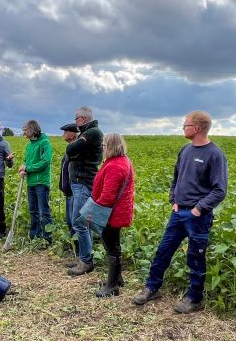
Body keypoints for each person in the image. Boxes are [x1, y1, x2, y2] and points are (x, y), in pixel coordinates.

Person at [131, 111, 228, 313]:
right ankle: (151, 287)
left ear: (198, 128)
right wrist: (173, 199)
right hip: (178, 213)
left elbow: (220, 190)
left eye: (186, 125)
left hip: (197, 217)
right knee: (163, 251)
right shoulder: (185, 150)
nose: (183, 128)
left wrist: (198, 209)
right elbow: (176, 178)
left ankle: (194, 298)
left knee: (195, 257)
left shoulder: (214, 154)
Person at [88, 133, 135, 298]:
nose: (102, 148)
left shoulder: (115, 166)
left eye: (104, 145)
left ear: (111, 146)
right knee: (115, 246)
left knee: (111, 248)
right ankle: (117, 278)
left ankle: (112, 286)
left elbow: (108, 197)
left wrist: (92, 212)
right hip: (118, 212)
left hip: (111, 214)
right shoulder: (123, 161)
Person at [65, 106, 104, 275]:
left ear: (83, 119)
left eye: (76, 119)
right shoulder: (86, 133)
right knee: (83, 222)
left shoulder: (93, 132)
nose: (75, 122)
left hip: (83, 182)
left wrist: (75, 150)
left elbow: (70, 150)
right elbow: (72, 152)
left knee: (79, 222)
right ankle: (84, 257)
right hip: (79, 182)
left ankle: (86, 261)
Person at [19, 119, 53, 244]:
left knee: (44, 211)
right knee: (33, 210)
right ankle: (35, 236)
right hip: (31, 182)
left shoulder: (45, 143)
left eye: (25, 130)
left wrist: (28, 168)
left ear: (32, 129)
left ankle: (47, 238)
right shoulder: (29, 145)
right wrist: (23, 167)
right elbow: (26, 161)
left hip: (41, 183)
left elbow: (45, 162)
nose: (24, 132)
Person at [59, 122, 79, 259]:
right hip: (69, 192)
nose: (63, 135)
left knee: (76, 223)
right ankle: (75, 251)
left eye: (65, 132)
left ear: (72, 135)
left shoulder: (77, 148)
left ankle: (79, 253)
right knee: (70, 222)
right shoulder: (70, 148)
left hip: (74, 191)